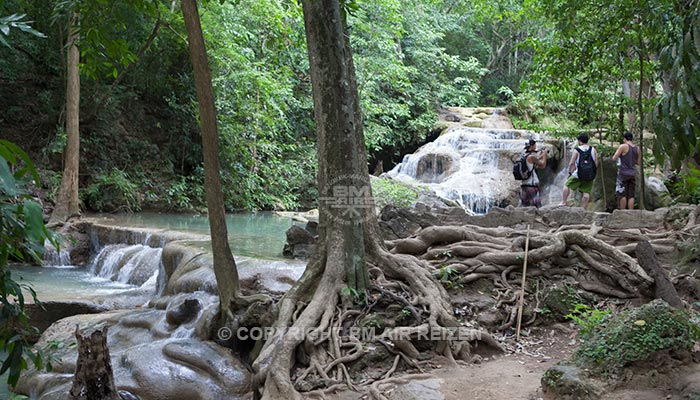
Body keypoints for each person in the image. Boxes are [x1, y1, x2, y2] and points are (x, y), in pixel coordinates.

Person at [561, 134, 598, 209]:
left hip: (578, 174)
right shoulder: (593, 149)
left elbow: (571, 163)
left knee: (567, 184)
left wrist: (569, 172)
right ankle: (583, 208)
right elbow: (596, 162)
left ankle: (563, 202)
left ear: (580, 141)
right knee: (586, 192)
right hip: (589, 174)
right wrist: (593, 172)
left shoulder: (577, 150)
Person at [611, 131, 640, 209]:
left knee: (622, 193)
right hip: (632, 173)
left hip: (623, 173)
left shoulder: (623, 146)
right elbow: (638, 162)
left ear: (624, 138)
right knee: (631, 194)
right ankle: (630, 211)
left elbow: (614, 158)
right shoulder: (637, 148)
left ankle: (622, 211)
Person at [519, 138, 548, 207]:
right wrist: (544, 155)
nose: (535, 146)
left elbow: (533, 164)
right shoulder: (531, 157)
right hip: (532, 185)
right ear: (532, 146)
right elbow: (543, 165)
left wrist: (540, 156)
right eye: (535, 145)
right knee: (538, 206)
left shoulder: (523, 156)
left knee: (522, 206)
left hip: (524, 185)